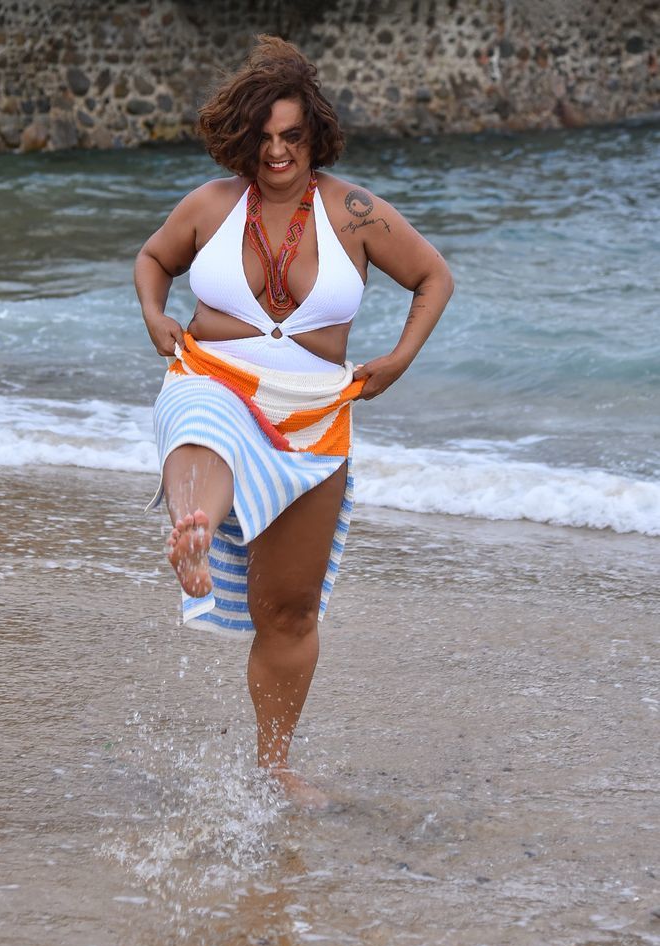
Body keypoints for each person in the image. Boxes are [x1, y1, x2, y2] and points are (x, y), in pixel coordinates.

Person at [134, 35, 454, 809]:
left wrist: (398, 358)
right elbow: (153, 260)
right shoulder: (211, 205)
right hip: (211, 377)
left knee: (288, 611)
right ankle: (193, 527)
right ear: (242, 139)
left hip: (314, 420)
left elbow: (432, 277)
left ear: (316, 136)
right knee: (203, 428)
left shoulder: (354, 212)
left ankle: (273, 766)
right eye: (263, 138)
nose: (276, 153)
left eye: (292, 137)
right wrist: (154, 314)